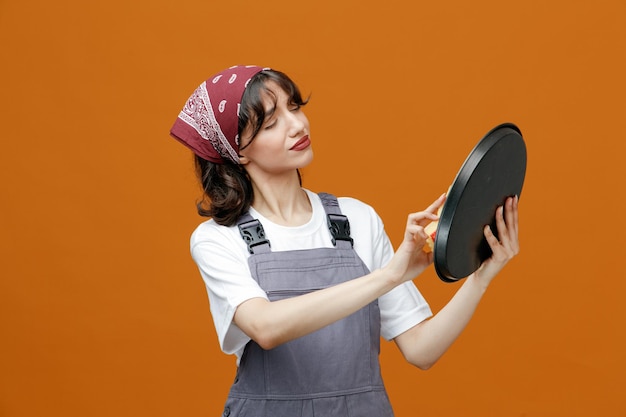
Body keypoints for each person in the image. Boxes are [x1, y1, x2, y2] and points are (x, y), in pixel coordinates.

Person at [169, 65, 520, 417]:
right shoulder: (218, 240)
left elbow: (421, 350)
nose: (297, 125)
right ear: (238, 151)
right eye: (272, 122)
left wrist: (482, 276)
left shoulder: (357, 219)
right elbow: (266, 327)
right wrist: (389, 275)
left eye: (295, 107)